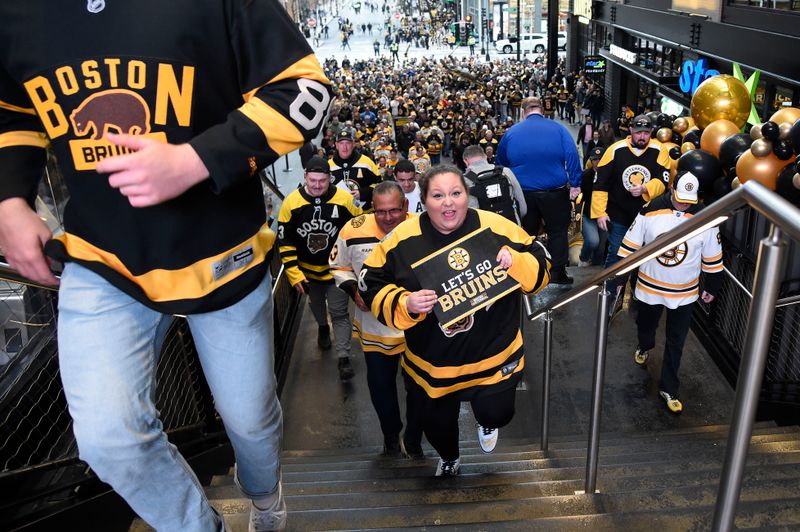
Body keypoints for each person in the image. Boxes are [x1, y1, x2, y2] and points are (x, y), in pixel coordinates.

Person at [0, 2, 332, 531]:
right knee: (108, 438)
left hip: (223, 252)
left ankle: (265, 495)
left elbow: (305, 90)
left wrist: (196, 159)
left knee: (250, 421)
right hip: (101, 254)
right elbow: (12, 107)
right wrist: (9, 199)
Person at [359, 166, 551, 476]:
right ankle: (450, 458)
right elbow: (370, 282)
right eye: (438, 195)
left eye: (455, 193)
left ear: (467, 196)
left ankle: (487, 420)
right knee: (436, 428)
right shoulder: (402, 238)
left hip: (493, 354)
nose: (448, 203)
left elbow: (541, 258)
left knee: (498, 413)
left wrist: (517, 263)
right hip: (432, 363)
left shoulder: (494, 225)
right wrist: (404, 302)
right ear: (423, 200)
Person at [329, 181, 425, 458]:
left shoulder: (422, 227)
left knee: (419, 386)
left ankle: (415, 436)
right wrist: (352, 291)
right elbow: (338, 265)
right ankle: (390, 435)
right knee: (381, 387)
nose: (387, 218)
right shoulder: (353, 229)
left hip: (416, 329)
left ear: (405, 206)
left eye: (394, 211)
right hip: (374, 329)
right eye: (380, 212)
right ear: (372, 208)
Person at [617, 171, 723, 413]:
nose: (684, 203)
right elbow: (631, 245)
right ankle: (644, 345)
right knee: (646, 326)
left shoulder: (705, 217)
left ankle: (669, 387)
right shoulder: (650, 209)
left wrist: (712, 286)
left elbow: (713, 255)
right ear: (672, 187)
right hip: (649, 286)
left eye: (689, 199)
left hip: (685, 291)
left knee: (677, 341)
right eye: (680, 197)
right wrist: (620, 278)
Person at [278, 156, 361, 381]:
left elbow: (358, 230)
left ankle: (343, 357)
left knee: (339, 312)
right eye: (312, 180)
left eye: (322, 181)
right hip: (308, 274)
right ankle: (323, 327)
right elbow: (285, 243)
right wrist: (294, 274)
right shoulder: (291, 203)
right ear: (305, 176)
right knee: (316, 307)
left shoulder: (344, 200)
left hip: (337, 271)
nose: (316, 185)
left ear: (330, 179)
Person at [496, 96, 583, 284]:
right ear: (542, 110)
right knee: (558, 232)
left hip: (523, 194)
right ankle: (558, 272)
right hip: (555, 192)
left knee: (526, 233)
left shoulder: (511, 133)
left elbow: (500, 164)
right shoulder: (559, 129)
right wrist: (575, 183)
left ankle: (529, 272)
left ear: (523, 111)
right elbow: (573, 155)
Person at [591, 114, 671, 317]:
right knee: (616, 254)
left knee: (644, 258)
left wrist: (646, 188)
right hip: (619, 215)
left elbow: (664, 181)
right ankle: (609, 293)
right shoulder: (615, 150)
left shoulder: (659, 150)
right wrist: (600, 213)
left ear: (651, 133)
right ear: (631, 132)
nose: (642, 137)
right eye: (638, 132)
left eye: (646, 133)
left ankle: (638, 294)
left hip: (648, 217)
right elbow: (601, 183)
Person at [462, 145, 527, 225]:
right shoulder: (505, 172)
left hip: (486, 231)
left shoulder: (464, 181)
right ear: (485, 156)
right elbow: (522, 207)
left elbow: (469, 213)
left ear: (465, 161)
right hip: (511, 226)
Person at [329, 130, 381, 209]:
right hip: (339, 215)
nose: (344, 147)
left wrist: (363, 193)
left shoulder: (366, 162)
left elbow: (379, 185)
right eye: (341, 143)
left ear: (353, 144)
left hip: (364, 213)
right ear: (336, 145)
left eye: (348, 143)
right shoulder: (328, 166)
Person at [577, 147, 608, 266]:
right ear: (591, 160)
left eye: (601, 159)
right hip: (588, 215)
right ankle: (583, 259)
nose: (598, 162)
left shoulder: (610, 175)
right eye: (595, 159)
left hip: (604, 215)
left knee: (601, 248)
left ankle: (596, 272)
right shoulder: (584, 176)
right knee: (592, 241)